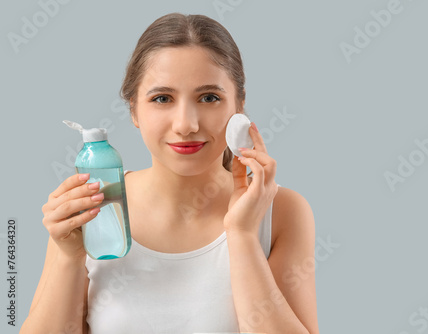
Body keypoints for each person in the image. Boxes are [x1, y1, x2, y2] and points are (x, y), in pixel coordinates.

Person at [21, 13, 318, 334]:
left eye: (209, 98)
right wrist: (69, 257)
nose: (186, 124)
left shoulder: (282, 212)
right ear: (134, 109)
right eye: (162, 98)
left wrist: (243, 236)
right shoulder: (91, 207)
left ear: (239, 108)